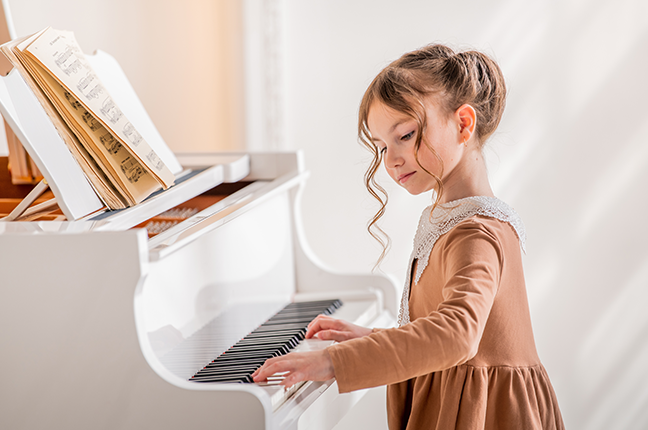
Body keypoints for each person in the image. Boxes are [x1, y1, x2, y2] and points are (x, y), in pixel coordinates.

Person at [252, 44, 564, 430]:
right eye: (382, 145)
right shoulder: (448, 217)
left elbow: (458, 336)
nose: (390, 159)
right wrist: (371, 338)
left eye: (405, 135)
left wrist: (334, 363)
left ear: (464, 124)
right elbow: (453, 339)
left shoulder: (477, 232)